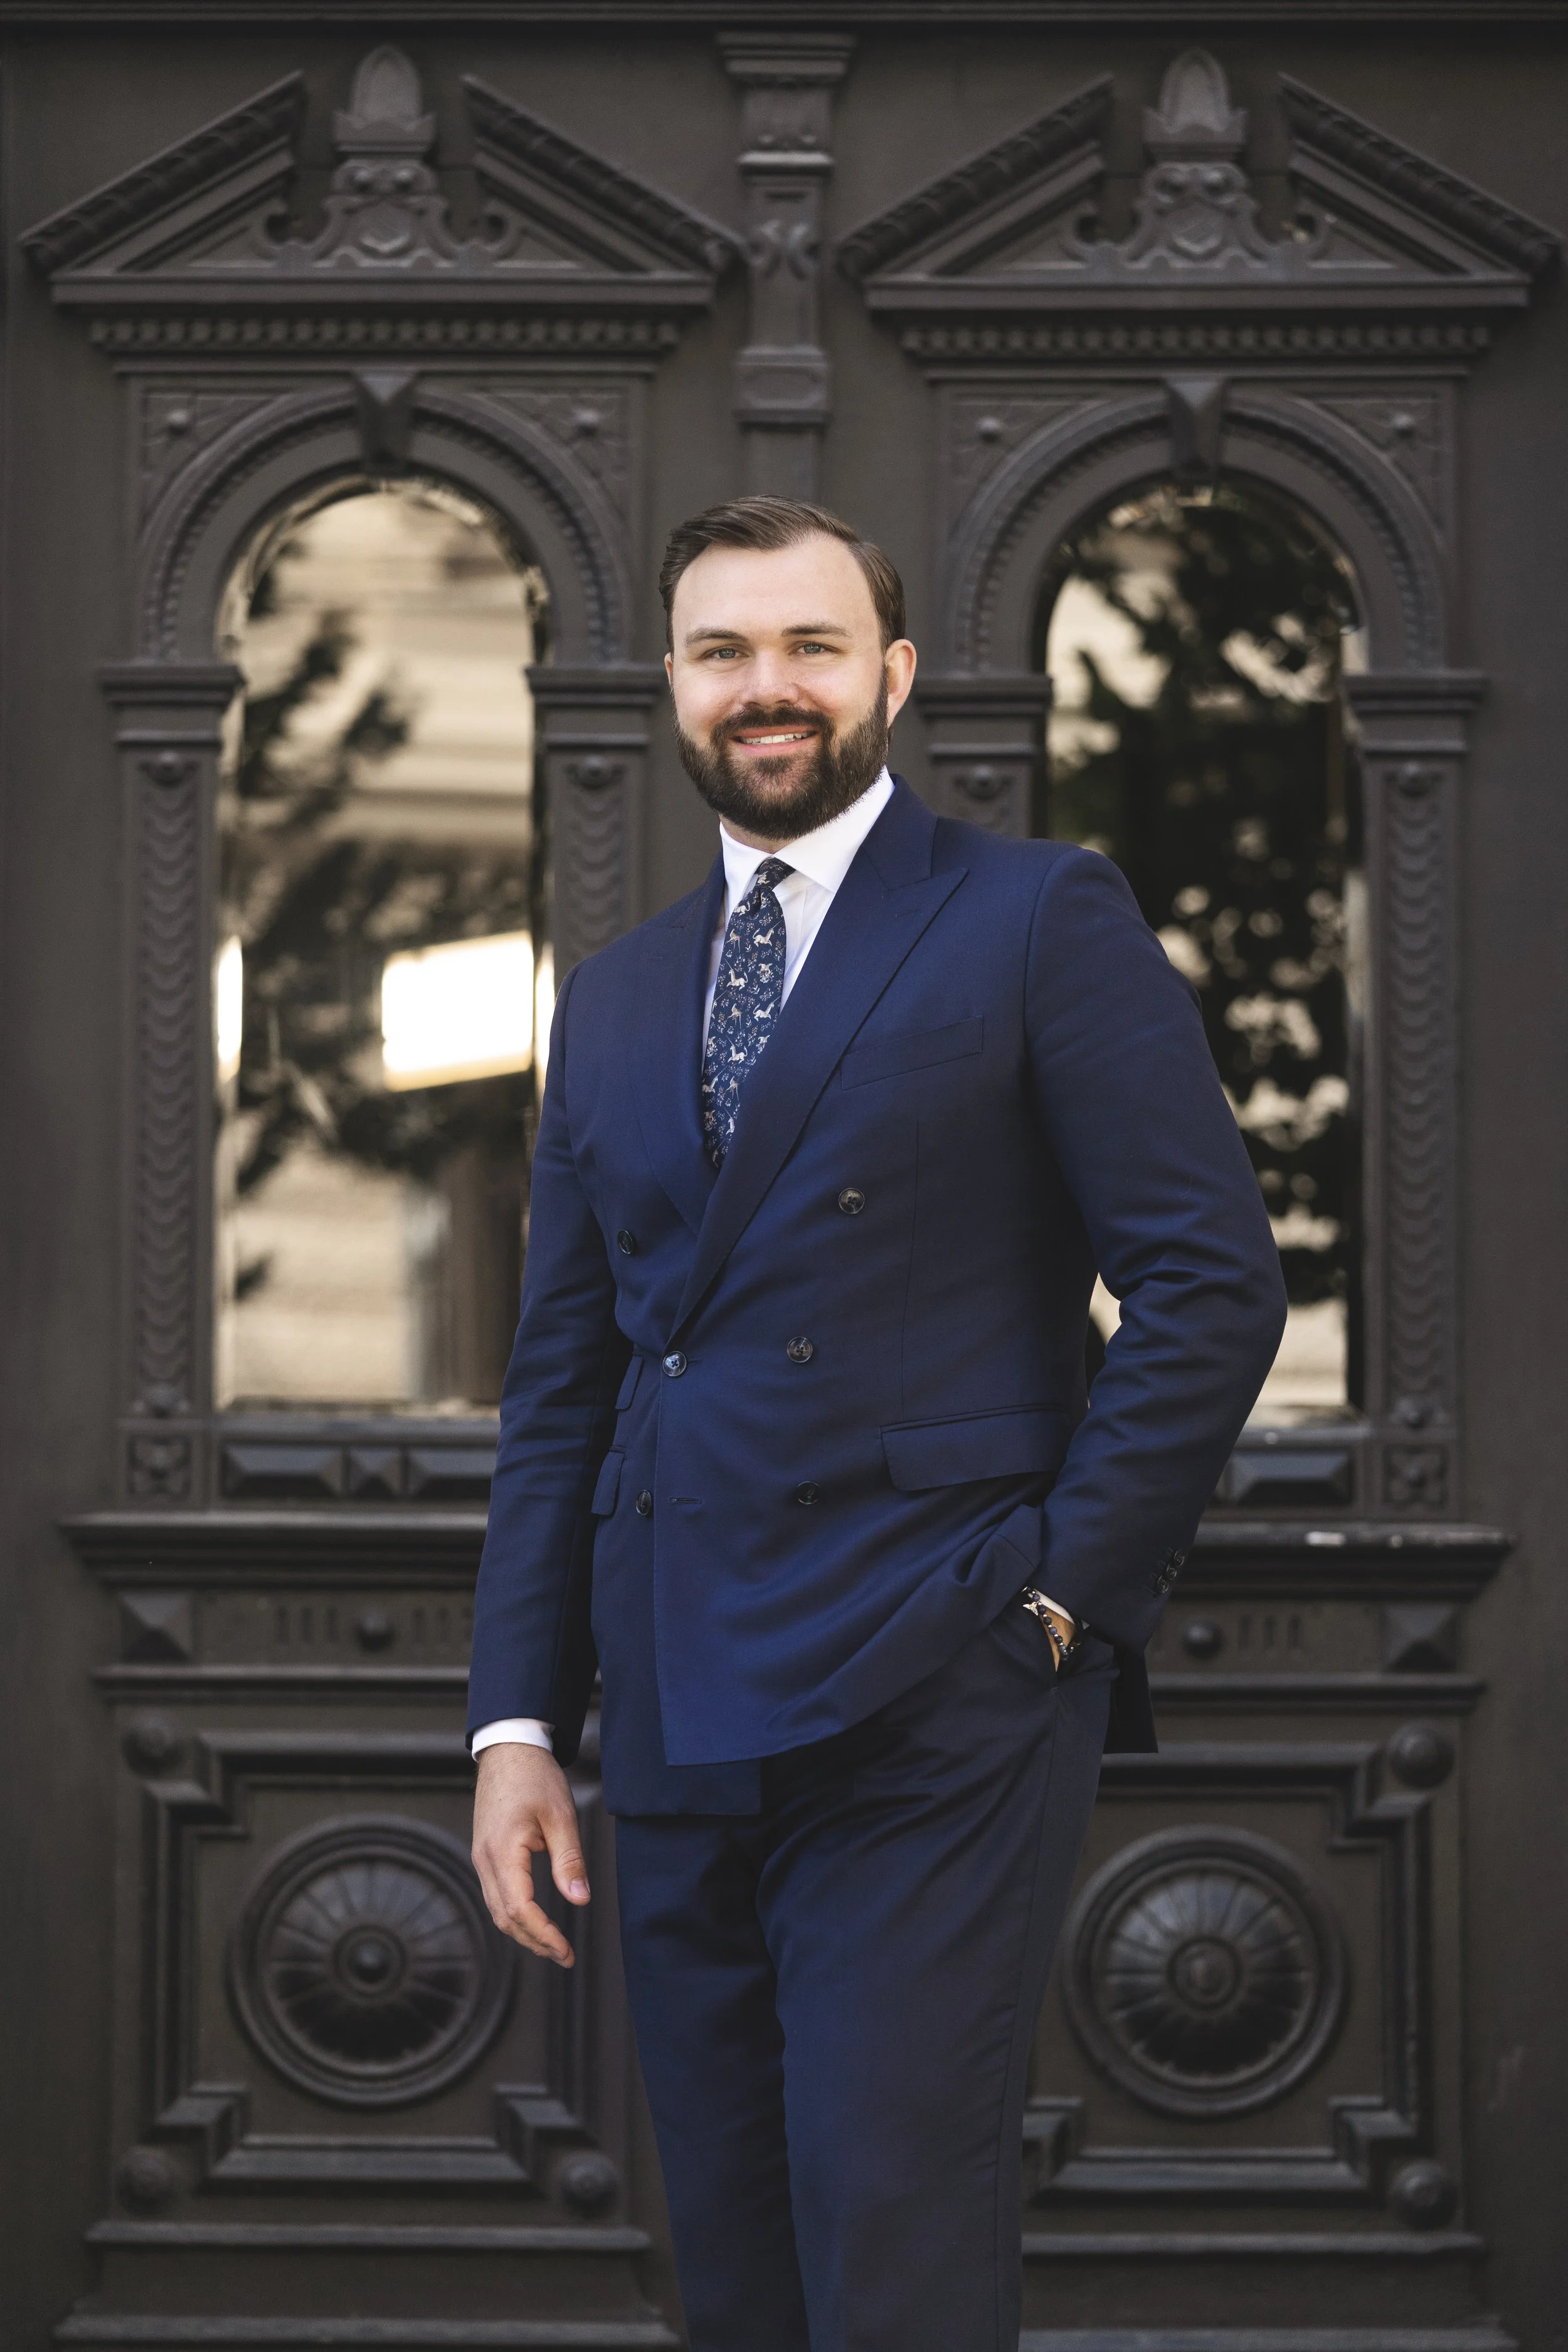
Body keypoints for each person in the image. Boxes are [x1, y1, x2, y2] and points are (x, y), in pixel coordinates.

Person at [469, 496, 1286, 2352]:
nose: (768, 688)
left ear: (891, 676)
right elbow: (563, 1384)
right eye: (723, 650)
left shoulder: (1030, 914)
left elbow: (1211, 1284)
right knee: (735, 2260)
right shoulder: (608, 997)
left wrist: (1061, 1604)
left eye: (810, 647)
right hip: (672, 1691)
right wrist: (518, 1717)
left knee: (891, 2231)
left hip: (933, 1670)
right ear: (671, 687)